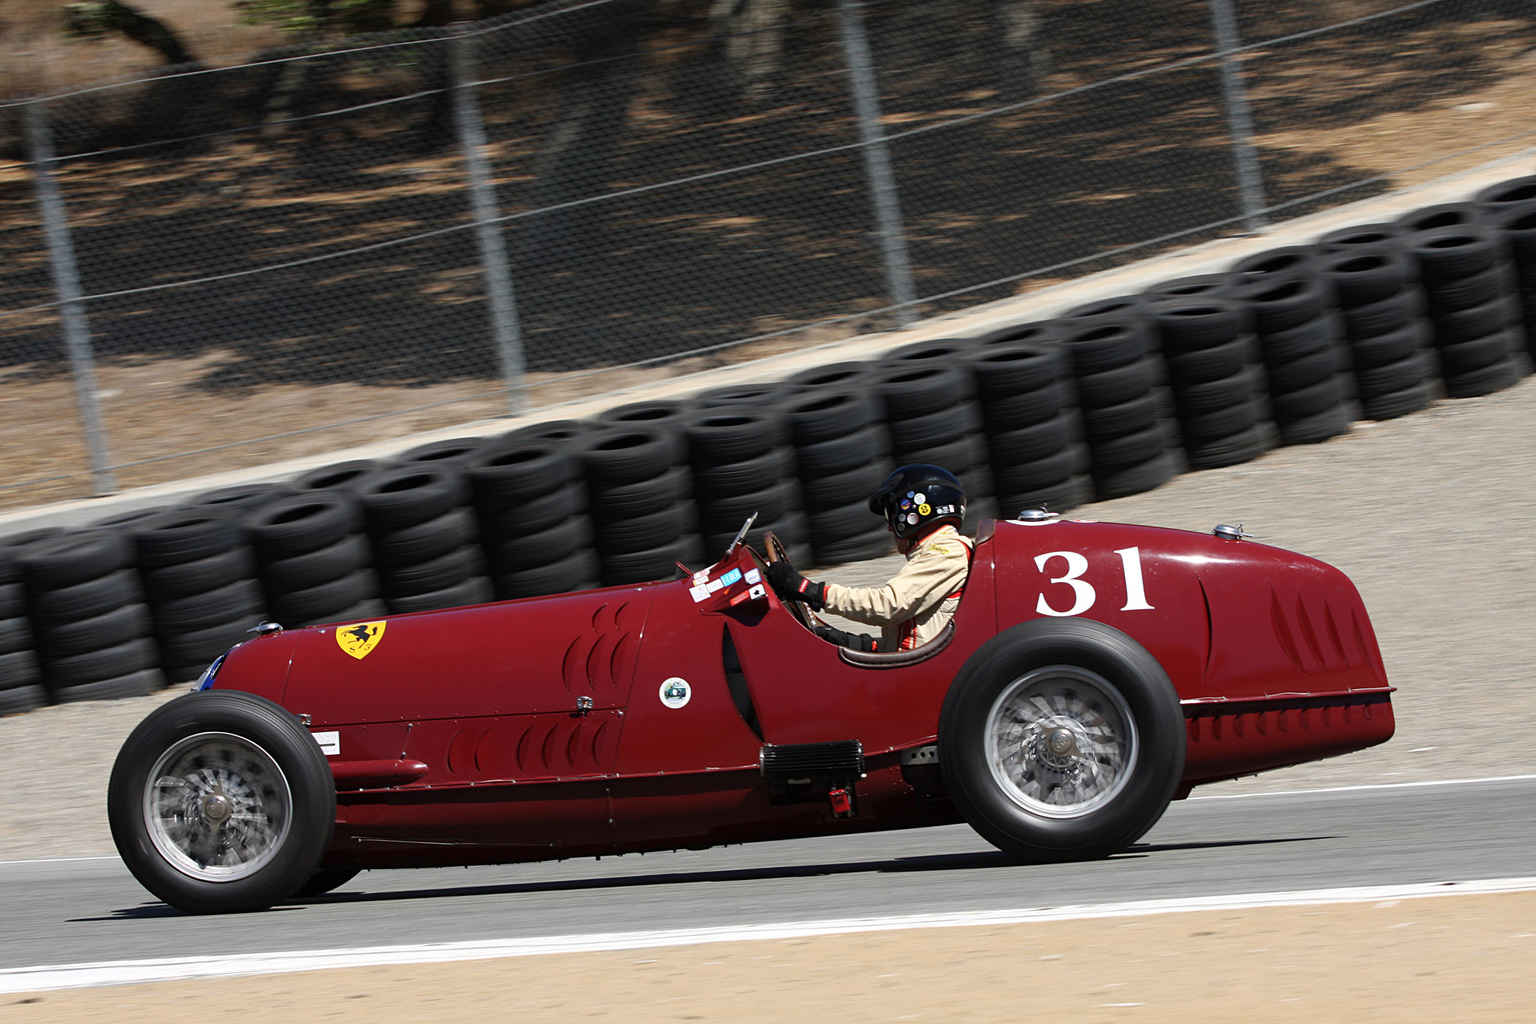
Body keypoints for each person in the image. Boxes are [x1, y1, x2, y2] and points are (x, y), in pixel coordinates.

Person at [766, 465, 972, 653]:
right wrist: (861, 644)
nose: (889, 526)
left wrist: (807, 590)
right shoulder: (939, 552)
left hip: (919, 676)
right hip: (917, 668)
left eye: (891, 514)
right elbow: (914, 636)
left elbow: (889, 605)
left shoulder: (946, 552)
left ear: (914, 511)